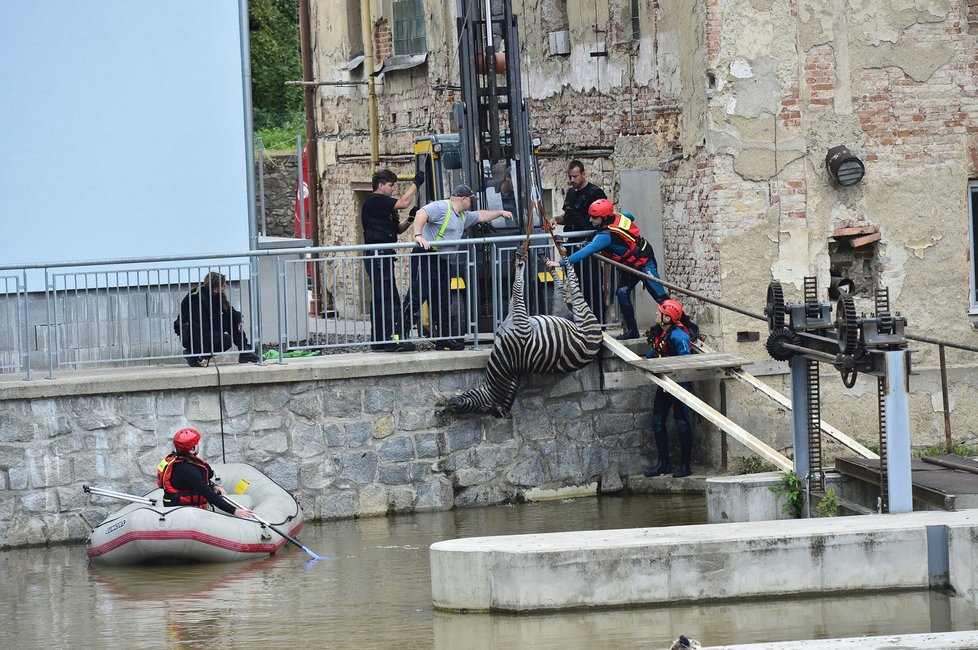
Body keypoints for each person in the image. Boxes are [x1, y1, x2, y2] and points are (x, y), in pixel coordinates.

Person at [547, 198, 668, 340]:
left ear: (604, 218)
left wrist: (561, 263)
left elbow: (584, 252)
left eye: (594, 218)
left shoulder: (604, 236)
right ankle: (632, 331)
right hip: (631, 264)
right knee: (622, 292)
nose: (590, 220)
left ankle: (687, 326)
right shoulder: (620, 216)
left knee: (660, 296)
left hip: (644, 261)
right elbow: (630, 216)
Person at [412, 184, 513, 350]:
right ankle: (398, 335)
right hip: (426, 256)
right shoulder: (441, 207)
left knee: (443, 301)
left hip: (443, 261)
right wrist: (418, 235)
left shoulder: (463, 215)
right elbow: (421, 213)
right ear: (464, 199)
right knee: (417, 296)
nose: (472, 203)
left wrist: (500, 213)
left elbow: (481, 215)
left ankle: (444, 339)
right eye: (471, 199)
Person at [361, 168, 424, 352]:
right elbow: (404, 203)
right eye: (390, 186)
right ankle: (391, 340)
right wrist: (416, 183)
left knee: (383, 297)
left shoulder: (384, 206)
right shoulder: (375, 200)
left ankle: (380, 340)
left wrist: (411, 219)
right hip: (378, 255)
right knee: (387, 298)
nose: (392, 189)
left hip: (384, 255)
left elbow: (398, 229)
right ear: (380, 186)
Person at [643, 300, 694, 478]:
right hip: (664, 384)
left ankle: (685, 466)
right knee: (657, 421)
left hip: (680, 384)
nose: (656, 314)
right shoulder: (659, 332)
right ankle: (663, 464)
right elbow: (654, 352)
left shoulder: (679, 337)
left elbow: (685, 362)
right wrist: (641, 362)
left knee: (682, 422)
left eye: (660, 312)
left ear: (668, 317)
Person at [156, 428, 255, 518]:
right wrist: (235, 511)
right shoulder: (188, 470)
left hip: (181, 506)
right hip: (182, 512)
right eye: (197, 443)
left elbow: (194, 484)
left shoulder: (180, 460)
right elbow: (209, 495)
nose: (199, 445)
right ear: (192, 449)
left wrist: (214, 487)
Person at [552, 160, 607, 322]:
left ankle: (598, 320)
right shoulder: (570, 193)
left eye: (575, 176)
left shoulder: (595, 193)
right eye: (570, 177)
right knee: (577, 285)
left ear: (583, 174)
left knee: (593, 284)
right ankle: (583, 319)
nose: (572, 180)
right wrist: (555, 219)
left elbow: (602, 219)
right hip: (572, 245)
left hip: (588, 245)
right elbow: (567, 217)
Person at [176, 272, 260, 367]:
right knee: (226, 341)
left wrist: (238, 318)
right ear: (216, 289)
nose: (226, 286)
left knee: (232, 319)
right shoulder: (197, 300)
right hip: (193, 335)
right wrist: (205, 355)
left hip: (206, 327)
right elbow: (199, 330)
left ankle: (245, 351)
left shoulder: (212, 293)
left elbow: (227, 309)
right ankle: (195, 355)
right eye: (223, 285)